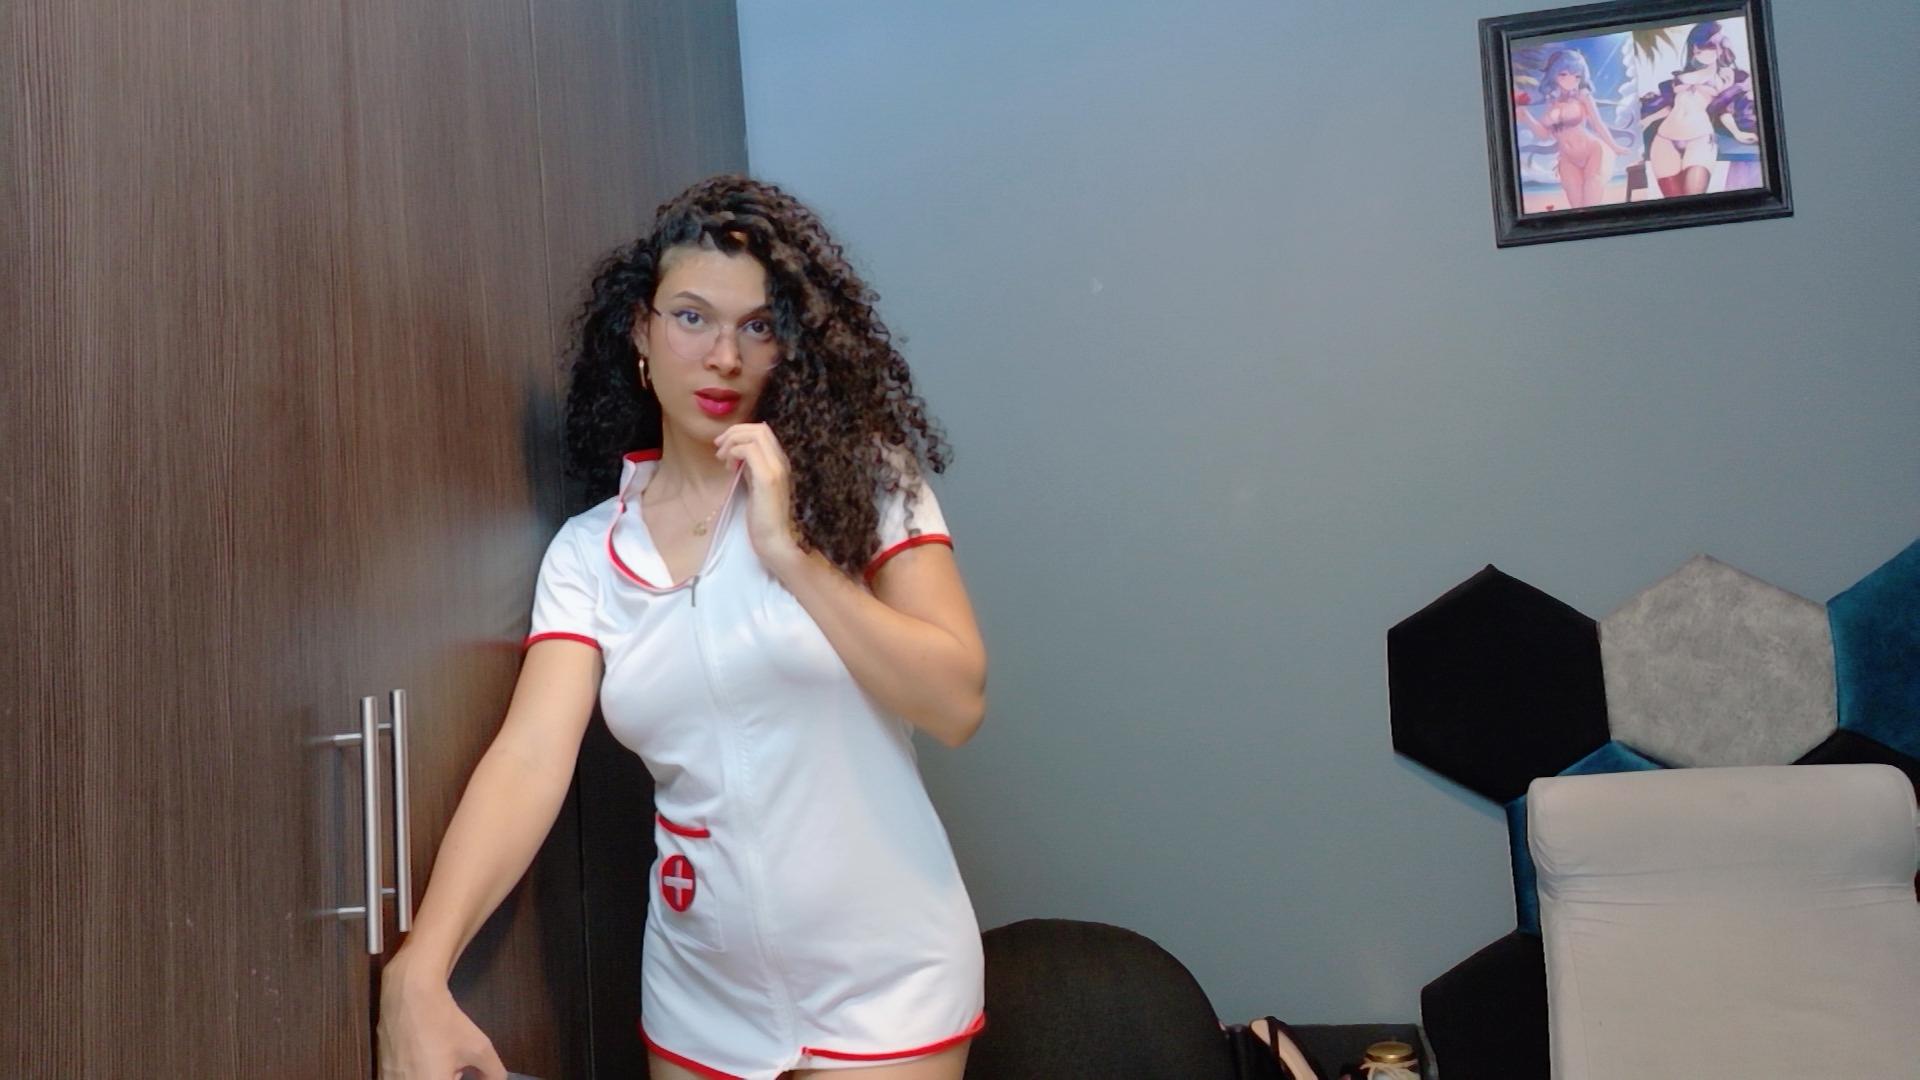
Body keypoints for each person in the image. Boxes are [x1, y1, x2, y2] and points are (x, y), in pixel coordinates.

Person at [377, 175, 990, 1080]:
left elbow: (955, 701)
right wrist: (419, 969)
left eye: (759, 326)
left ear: (792, 346)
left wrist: (791, 557)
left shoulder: (863, 485)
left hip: (889, 983)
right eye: (693, 318)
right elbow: (529, 759)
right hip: (702, 1001)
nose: (724, 357)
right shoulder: (590, 554)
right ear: (641, 330)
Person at [1638, 21, 1755, 198]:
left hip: (1699, 138)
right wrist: (1647, 120)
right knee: (1674, 204)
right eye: (1705, 44)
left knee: (1695, 199)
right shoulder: (1681, 76)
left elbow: (1723, 110)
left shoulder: (1725, 76)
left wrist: (1737, 133)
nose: (1705, 50)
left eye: (1716, 44)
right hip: (1664, 139)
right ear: (1694, 47)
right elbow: (1672, 107)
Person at [1513, 48, 1637, 209]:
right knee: (1578, 208)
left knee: (1591, 203)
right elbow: (1544, 135)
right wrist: (1526, 117)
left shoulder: (1583, 97)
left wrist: (1614, 146)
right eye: (1564, 74)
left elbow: (1598, 124)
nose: (1571, 80)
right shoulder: (1551, 101)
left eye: (1577, 76)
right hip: (1567, 159)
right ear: (1553, 74)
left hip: (1593, 152)